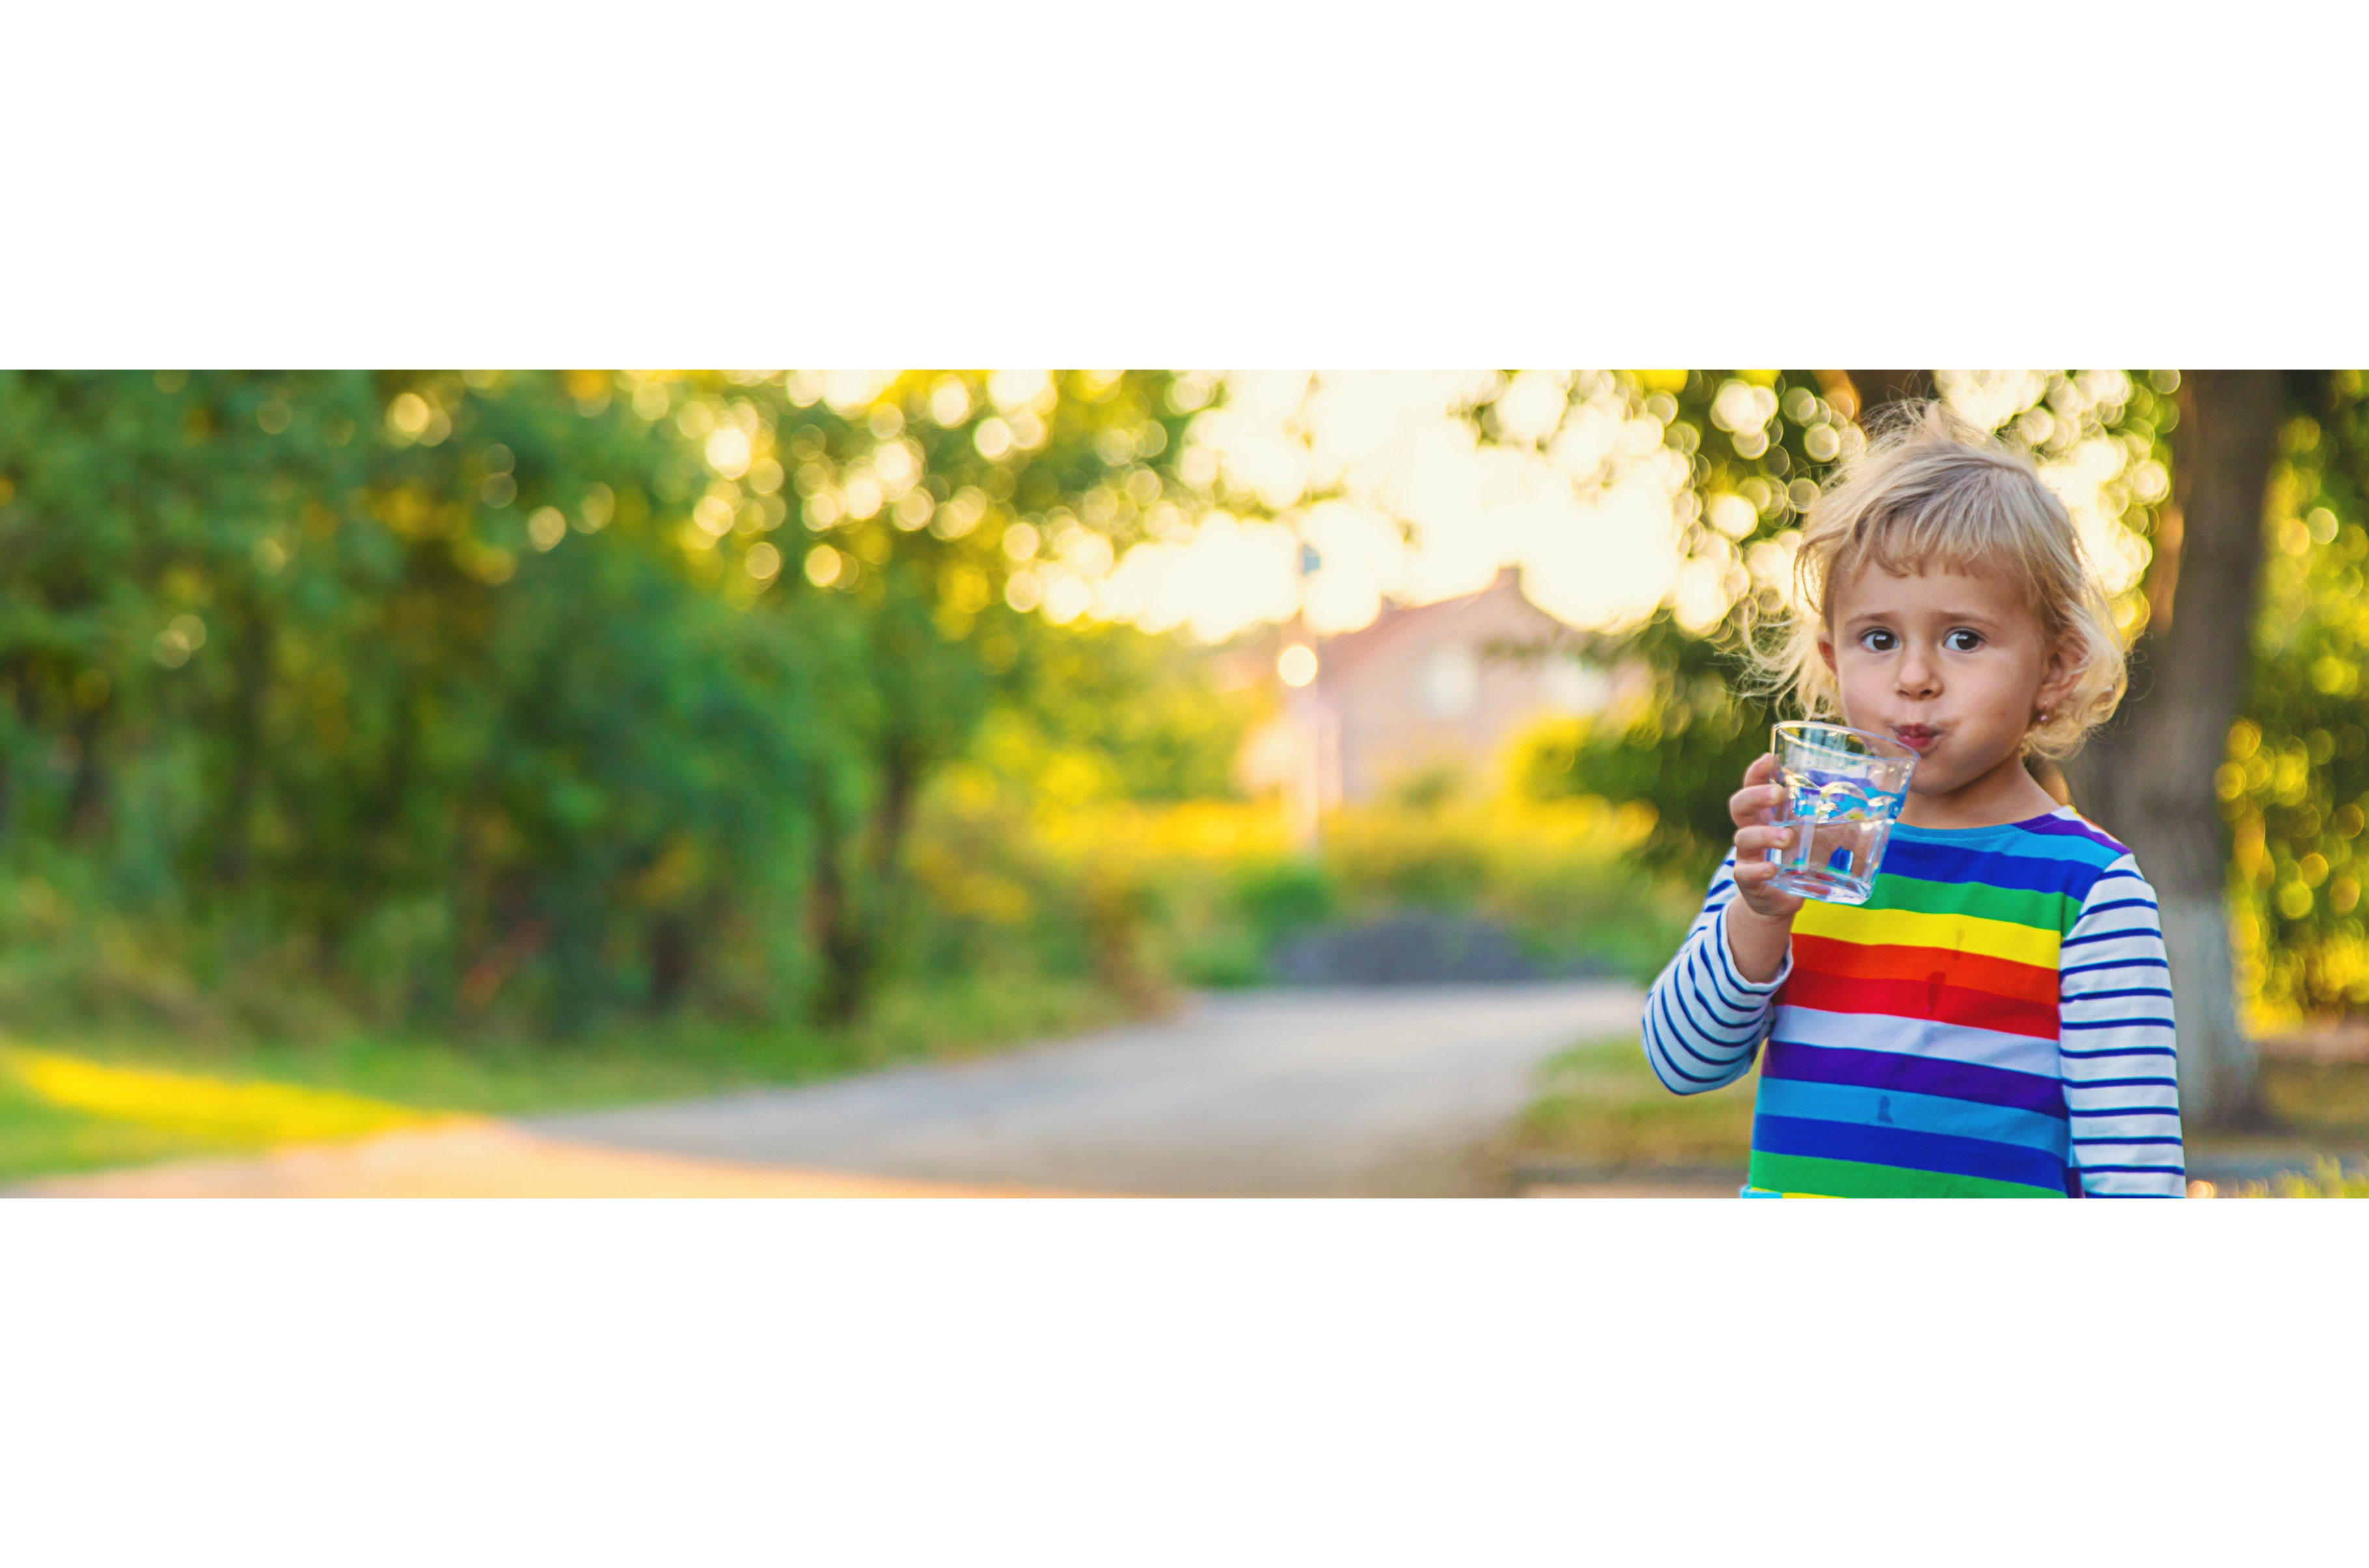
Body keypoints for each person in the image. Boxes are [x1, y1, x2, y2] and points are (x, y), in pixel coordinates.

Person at [1642, 401, 2184, 1197]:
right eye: (1878, 638)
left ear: (2055, 666)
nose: (1915, 677)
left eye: (1964, 638)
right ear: (1832, 658)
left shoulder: (2088, 889)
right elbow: (1680, 1062)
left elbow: (2135, 1175)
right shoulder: (1798, 849)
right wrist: (1756, 919)